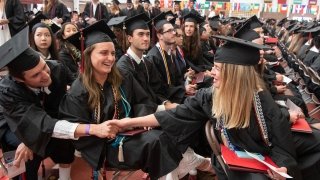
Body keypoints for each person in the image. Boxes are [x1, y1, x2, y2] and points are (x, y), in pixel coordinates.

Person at [108, 36, 303, 180]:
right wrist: (128, 122)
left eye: (218, 68)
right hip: (233, 164)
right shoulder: (209, 96)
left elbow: (281, 147)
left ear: (234, 75)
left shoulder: (261, 100)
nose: (212, 73)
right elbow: (172, 115)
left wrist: (283, 168)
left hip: (259, 163)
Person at [60, 20, 211, 180]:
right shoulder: (79, 90)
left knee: (171, 130)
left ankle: (193, 165)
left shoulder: (119, 78)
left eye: (112, 53)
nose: (111, 58)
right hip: (105, 146)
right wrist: (102, 131)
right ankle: (199, 164)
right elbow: (75, 128)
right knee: (158, 142)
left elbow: (140, 101)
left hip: (130, 131)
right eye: (104, 53)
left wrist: (142, 121)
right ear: (88, 55)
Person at [0, 27, 117, 180]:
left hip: (53, 118)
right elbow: (39, 124)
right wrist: (28, 139)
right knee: (24, 154)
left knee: (64, 140)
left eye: (43, 66)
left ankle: (64, 176)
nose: (45, 75)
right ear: (20, 80)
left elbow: (78, 86)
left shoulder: (56, 68)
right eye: (36, 75)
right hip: (16, 127)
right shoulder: (8, 92)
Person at [147, 12, 195, 102]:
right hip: (164, 102)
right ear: (159, 35)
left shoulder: (169, 53)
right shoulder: (153, 57)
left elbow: (177, 80)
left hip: (176, 96)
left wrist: (186, 85)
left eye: (173, 30)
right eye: (169, 31)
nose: (173, 33)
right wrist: (183, 89)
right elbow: (159, 88)